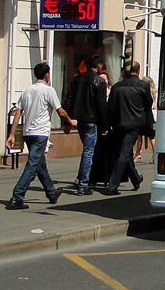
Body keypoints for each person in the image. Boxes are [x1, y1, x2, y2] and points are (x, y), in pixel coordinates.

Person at [5, 62, 76, 210]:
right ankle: (17, 196)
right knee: (32, 165)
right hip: (41, 133)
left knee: (40, 164)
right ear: (47, 75)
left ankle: (51, 192)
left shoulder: (27, 91)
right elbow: (60, 111)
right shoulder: (49, 91)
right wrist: (70, 121)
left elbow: (18, 113)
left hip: (28, 133)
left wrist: (12, 134)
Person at [102, 61, 152, 196]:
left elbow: (110, 107)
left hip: (118, 124)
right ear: (138, 71)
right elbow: (148, 105)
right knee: (124, 153)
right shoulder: (143, 86)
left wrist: (107, 125)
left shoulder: (117, 87)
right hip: (134, 124)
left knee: (125, 151)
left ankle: (136, 179)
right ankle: (113, 186)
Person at [62, 54, 108, 195]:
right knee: (88, 151)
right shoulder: (99, 81)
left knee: (88, 149)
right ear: (99, 66)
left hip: (79, 119)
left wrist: (67, 121)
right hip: (92, 120)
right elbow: (101, 105)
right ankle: (83, 184)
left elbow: (69, 100)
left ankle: (82, 178)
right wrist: (105, 125)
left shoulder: (76, 79)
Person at [134, 71, 157, 163]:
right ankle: (154, 154)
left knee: (140, 136)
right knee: (151, 137)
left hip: (142, 115)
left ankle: (137, 154)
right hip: (150, 116)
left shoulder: (141, 92)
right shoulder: (153, 93)